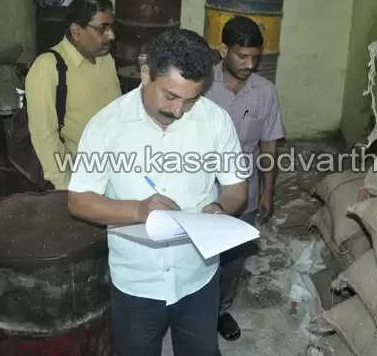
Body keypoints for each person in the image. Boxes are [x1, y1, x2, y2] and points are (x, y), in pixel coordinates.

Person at [67, 28, 248, 356]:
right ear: (145, 72)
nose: (178, 110)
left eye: (190, 100)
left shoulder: (215, 121)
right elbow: (79, 200)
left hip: (198, 276)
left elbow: (236, 187)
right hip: (136, 281)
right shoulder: (106, 126)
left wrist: (220, 209)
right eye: (170, 96)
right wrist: (138, 210)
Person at [205, 15, 285, 340]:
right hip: (202, 189)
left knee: (233, 258)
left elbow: (268, 145)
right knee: (197, 255)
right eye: (242, 56)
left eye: (255, 57)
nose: (249, 64)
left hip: (245, 191)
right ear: (223, 50)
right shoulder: (201, 85)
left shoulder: (265, 92)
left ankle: (220, 310)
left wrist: (267, 192)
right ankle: (193, 311)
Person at [25, 0, 121, 189]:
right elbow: (45, 138)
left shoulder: (105, 59)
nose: (111, 35)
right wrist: (67, 190)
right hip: (80, 178)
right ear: (76, 31)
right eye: (103, 29)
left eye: (112, 27)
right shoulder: (48, 67)